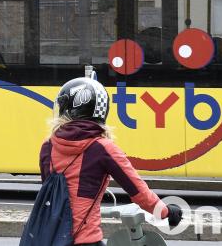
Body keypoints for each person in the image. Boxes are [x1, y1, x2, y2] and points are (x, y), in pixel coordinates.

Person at [40, 76, 182, 246]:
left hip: (51, 237)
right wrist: (165, 212)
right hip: (84, 240)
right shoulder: (103, 148)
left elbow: (50, 192)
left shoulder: (48, 146)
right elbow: (138, 191)